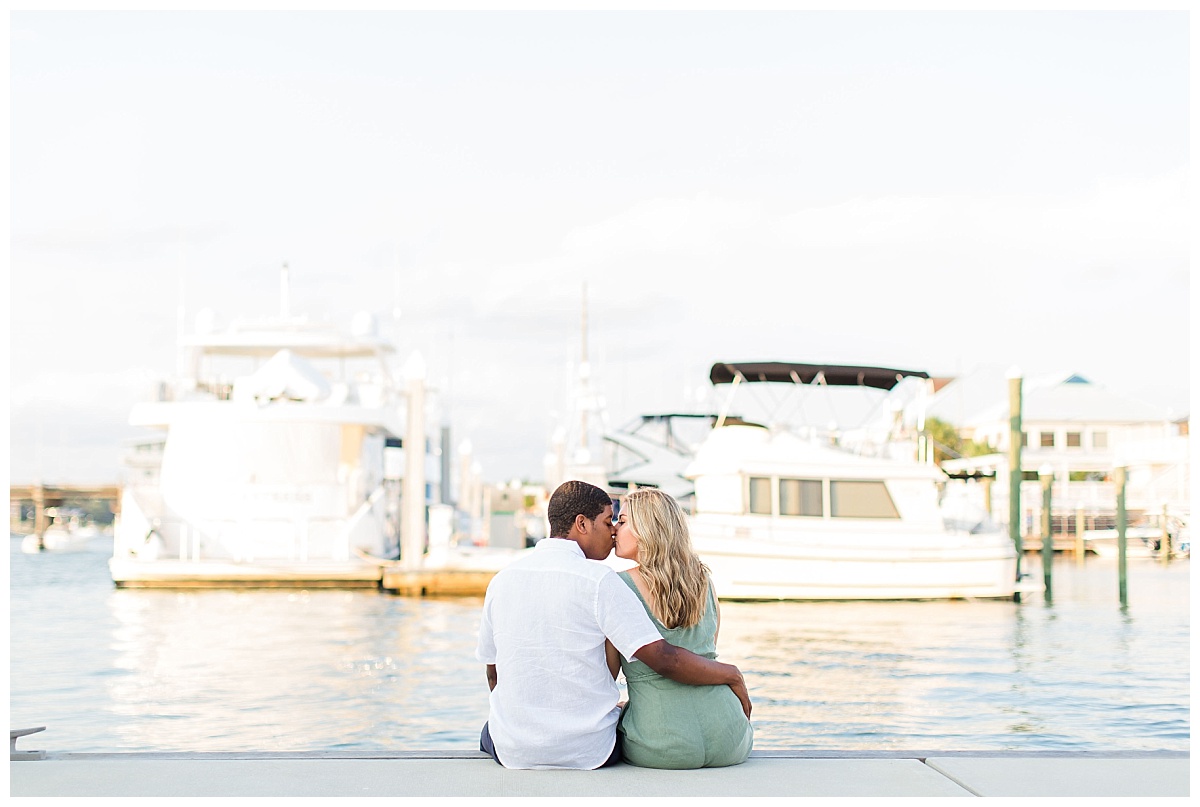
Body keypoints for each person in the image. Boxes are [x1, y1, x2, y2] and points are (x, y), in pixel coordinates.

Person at [476, 480, 751, 770]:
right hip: (714, 732)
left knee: (490, 731)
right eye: (610, 521)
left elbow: (493, 673)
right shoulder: (606, 581)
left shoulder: (502, 581)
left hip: (520, 750)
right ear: (582, 524)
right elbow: (676, 656)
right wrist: (731, 675)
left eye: (619, 521)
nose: (613, 530)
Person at [605, 487, 754, 769]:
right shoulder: (705, 581)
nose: (614, 529)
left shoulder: (617, 587)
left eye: (622, 521)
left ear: (647, 530)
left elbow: (607, 675)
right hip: (730, 737)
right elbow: (705, 657)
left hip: (661, 744)